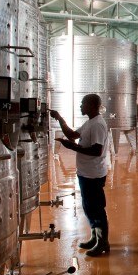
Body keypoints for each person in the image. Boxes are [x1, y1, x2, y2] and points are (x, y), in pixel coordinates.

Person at [50, 94, 110, 257]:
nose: (80, 106)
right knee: (89, 208)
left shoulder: (97, 124)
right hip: (86, 173)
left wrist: (72, 147)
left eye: (83, 104)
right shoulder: (90, 122)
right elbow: (73, 135)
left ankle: (102, 242)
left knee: (96, 209)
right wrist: (60, 119)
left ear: (92, 105)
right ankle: (95, 237)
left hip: (94, 174)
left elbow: (97, 151)